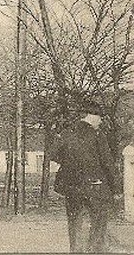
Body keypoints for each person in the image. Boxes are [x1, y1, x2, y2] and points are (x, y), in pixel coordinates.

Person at [52, 107, 120, 253]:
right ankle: (95, 251)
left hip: (72, 188)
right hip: (95, 186)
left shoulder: (66, 133)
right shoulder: (98, 135)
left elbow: (55, 156)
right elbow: (107, 162)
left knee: (75, 223)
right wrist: (116, 188)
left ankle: (76, 251)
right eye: (100, 118)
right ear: (92, 116)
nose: (101, 122)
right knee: (98, 225)